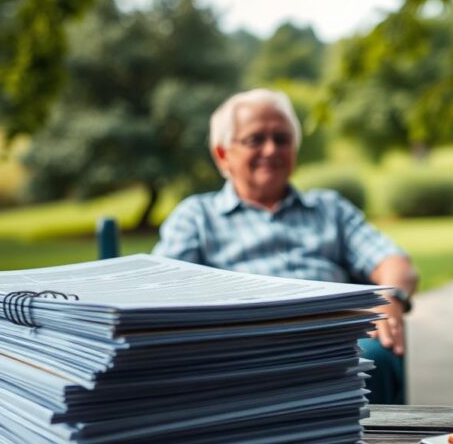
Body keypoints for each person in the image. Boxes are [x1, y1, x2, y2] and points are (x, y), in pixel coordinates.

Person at [152, 88, 418, 404]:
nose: (271, 150)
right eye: (255, 139)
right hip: (239, 354)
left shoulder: (330, 209)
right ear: (223, 154)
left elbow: (394, 263)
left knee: (378, 352)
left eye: (282, 139)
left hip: (333, 345)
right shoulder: (196, 216)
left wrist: (391, 296)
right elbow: (160, 294)